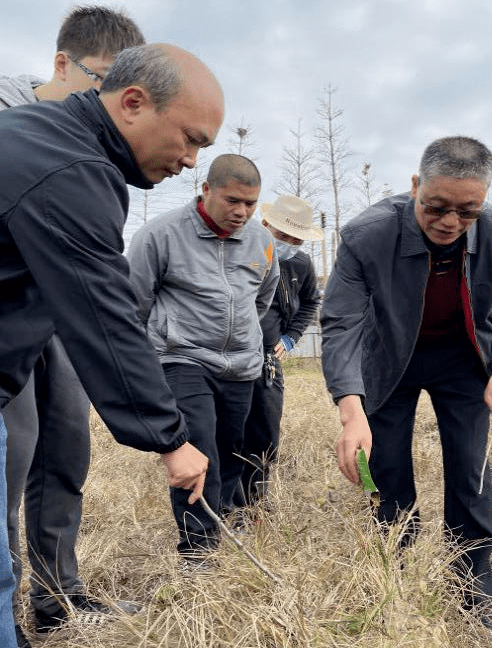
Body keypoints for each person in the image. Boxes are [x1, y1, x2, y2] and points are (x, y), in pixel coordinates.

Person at [0, 43, 225, 648]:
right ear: (132, 103)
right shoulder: (69, 169)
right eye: (190, 138)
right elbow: (107, 318)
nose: (191, 160)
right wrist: (171, 439)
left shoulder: (40, 136)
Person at [321, 136, 492, 634]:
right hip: (389, 358)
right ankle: (393, 576)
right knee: (389, 468)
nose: (450, 223)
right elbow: (341, 324)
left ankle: (474, 585)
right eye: (436, 207)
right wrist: (350, 412)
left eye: (468, 212)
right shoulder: (367, 234)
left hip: (465, 361)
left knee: (469, 471)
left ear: (485, 199)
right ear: (416, 185)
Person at [0, 8, 145, 644]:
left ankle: (60, 595)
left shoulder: (98, 148)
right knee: (13, 455)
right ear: (62, 65)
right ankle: (8, 614)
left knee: (65, 450)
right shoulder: (10, 116)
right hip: (9, 320)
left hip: (57, 318)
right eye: (103, 81)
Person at [127, 154, 279, 560]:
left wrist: (242, 336)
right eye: (233, 200)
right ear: (206, 190)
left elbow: (262, 298)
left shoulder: (262, 242)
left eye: (251, 203)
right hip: (182, 359)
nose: (242, 212)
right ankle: (198, 551)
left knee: (231, 450)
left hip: (241, 366)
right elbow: (134, 303)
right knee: (200, 449)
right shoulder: (160, 235)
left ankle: (222, 516)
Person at [236, 195, 323, 507]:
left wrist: (290, 337)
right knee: (231, 431)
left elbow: (311, 301)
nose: (288, 243)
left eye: (295, 238)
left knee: (266, 434)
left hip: (268, 361)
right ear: (266, 225)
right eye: (282, 235)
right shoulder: (240, 253)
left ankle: (256, 501)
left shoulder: (300, 264)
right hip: (229, 356)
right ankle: (227, 505)